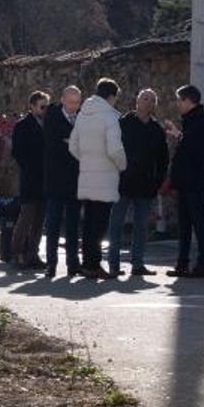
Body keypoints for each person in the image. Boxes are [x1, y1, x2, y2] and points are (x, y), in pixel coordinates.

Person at [68, 78, 127, 280]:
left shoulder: (83, 115)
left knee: (88, 222)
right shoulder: (109, 117)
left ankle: (87, 264)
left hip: (86, 176)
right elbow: (115, 149)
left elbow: (73, 146)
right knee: (100, 224)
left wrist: (87, 161)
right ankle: (94, 265)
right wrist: (122, 165)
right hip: (105, 177)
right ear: (112, 96)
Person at [107, 89, 169, 277]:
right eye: (145, 98)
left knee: (141, 226)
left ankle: (138, 264)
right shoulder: (123, 123)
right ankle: (114, 265)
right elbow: (112, 149)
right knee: (116, 224)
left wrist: (157, 181)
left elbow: (163, 158)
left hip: (146, 185)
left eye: (152, 100)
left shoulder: (156, 129)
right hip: (123, 182)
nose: (148, 102)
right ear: (137, 101)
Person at [165, 84, 204, 279]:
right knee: (184, 225)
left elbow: (195, 148)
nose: (177, 104)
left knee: (199, 222)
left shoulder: (203, 122)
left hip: (194, 181)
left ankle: (203, 264)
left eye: (180, 100)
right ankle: (182, 263)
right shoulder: (192, 120)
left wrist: (178, 135)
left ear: (188, 100)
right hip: (185, 181)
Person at [42, 86, 83, 278]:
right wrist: (71, 144)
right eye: (71, 102)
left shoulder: (82, 117)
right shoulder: (52, 116)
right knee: (53, 225)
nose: (74, 106)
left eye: (77, 102)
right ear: (63, 100)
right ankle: (51, 263)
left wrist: (69, 142)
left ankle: (73, 263)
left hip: (75, 179)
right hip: (56, 180)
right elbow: (52, 144)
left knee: (73, 226)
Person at [10, 91, 50, 269]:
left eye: (47, 106)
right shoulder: (22, 125)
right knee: (26, 217)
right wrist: (29, 166)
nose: (45, 110)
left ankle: (33, 254)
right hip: (30, 177)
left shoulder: (48, 125)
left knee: (40, 220)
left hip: (45, 178)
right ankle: (17, 253)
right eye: (42, 106)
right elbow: (17, 151)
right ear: (32, 107)